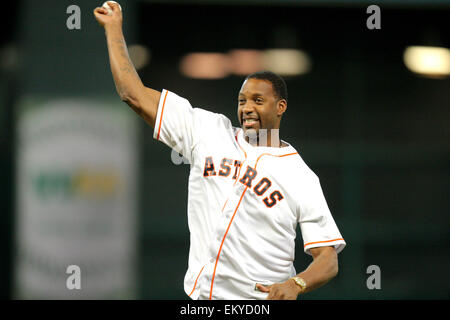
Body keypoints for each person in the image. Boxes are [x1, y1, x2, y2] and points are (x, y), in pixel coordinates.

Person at [94, 2, 346, 300]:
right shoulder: (209, 131)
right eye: (242, 101)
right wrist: (114, 31)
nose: (247, 108)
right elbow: (132, 94)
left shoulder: (301, 176)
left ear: (281, 107)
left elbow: (328, 259)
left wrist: (296, 284)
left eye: (257, 100)